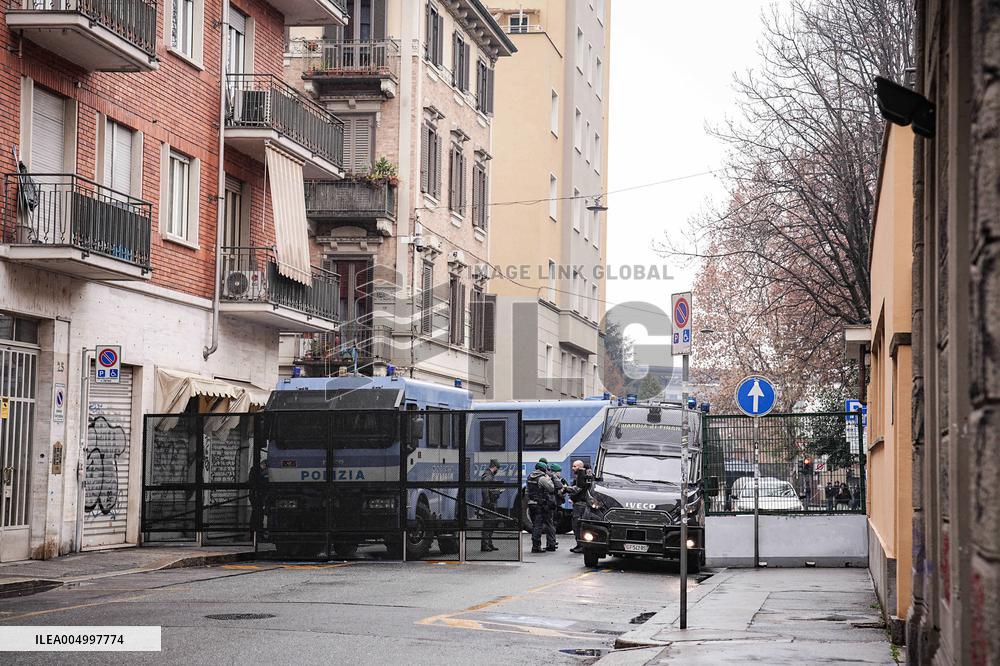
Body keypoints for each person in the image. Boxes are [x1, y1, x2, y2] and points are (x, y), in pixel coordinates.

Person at [526, 462, 555, 553]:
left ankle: (535, 545)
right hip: (539, 504)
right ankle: (536, 547)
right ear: (543, 469)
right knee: (538, 526)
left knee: (535, 525)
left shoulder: (530, 476)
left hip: (531, 503)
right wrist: (549, 479)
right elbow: (551, 488)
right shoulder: (542, 478)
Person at [568, 459, 593, 553]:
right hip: (582, 504)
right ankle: (580, 545)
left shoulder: (581, 477)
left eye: (575, 466)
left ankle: (581, 545)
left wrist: (566, 490)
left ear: (580, 467)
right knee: (579, 525)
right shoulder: (587, 476)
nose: (572, 468)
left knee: (577, 525)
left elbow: (577, 489)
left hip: (580, 505)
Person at [480, 459, 501, 552]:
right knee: (488, 524)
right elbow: (485, 489)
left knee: (491, 524)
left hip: (491, 503)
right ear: (495, 467)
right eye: (497, 468)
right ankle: (485, 545)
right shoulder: (488, 475)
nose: (497, 471)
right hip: (489, 504)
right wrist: (488, 502)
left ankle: (489, 543)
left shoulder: (490, 475)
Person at [546, 463, 566, 550]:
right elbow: (561, 490)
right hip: (554, 504)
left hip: (556, 504)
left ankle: (551, 541)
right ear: (554, 472)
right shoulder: (555, 479)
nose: (559, 473)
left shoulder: (558, 479)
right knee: (552, 524)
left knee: (552, 524)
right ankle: (552, 542)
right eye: (558, 472)